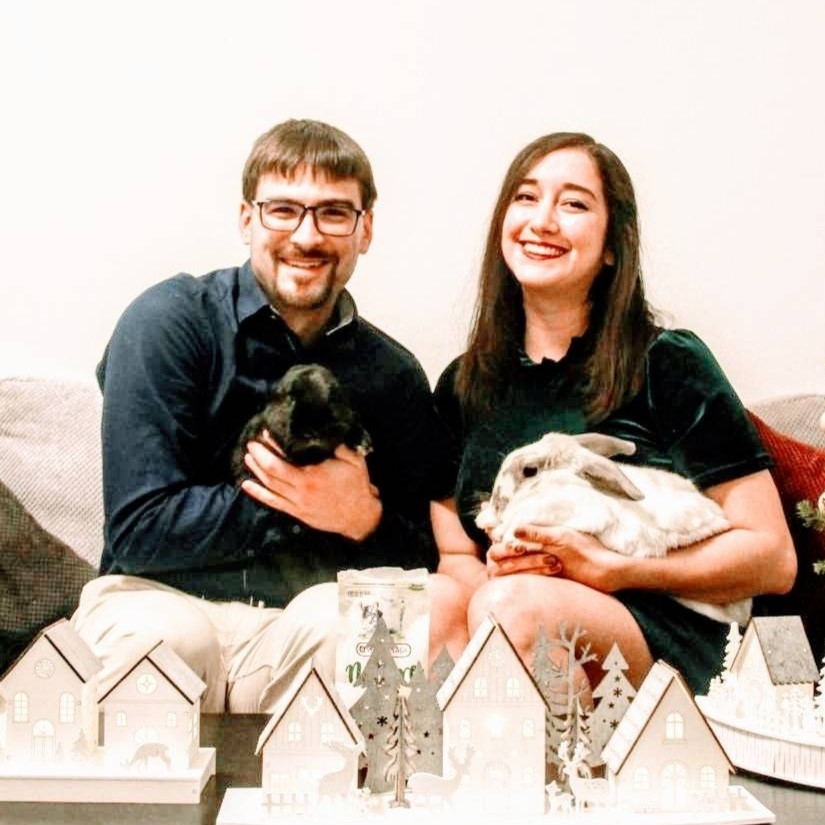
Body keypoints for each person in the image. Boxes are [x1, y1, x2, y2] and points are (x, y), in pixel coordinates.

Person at [72, 119, 468, 712]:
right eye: (283, 210)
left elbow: (422, 558)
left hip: (301, 619)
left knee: (372, 622)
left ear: (365, 229)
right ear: (246, 219)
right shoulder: (168, 322)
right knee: (166, 640)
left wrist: (364, 519)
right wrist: (302, 503)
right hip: (157, 597)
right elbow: (138, 530)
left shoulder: (392, 374)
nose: (307, 236)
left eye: (334, 213)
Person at [432, 131, 796, 695]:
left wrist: (613, 568)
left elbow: (773, 557)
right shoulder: (463, 384)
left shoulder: (668, 362)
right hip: (511, 607)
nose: (542, 221)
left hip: (664, 621)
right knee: (434, 605)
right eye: (526, 197)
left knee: (511, 608)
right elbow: (457, 552)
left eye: (574, 204)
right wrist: (497, 573)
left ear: (611, 246)